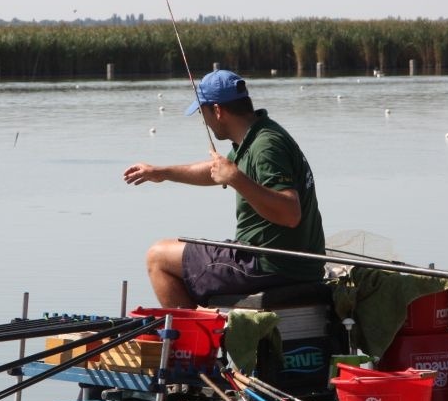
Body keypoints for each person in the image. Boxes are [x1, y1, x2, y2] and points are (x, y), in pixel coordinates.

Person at [123, 70, 325, 308]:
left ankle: (190, 344)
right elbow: (216, 170)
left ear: (217, 111)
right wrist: (162, 173)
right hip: (286, 264)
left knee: (158, 256)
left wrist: (236, 178)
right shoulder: (259, 134)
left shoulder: (265, 147)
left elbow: (291, 213)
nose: (205, 121)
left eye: (202, 113)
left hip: (269, 266)